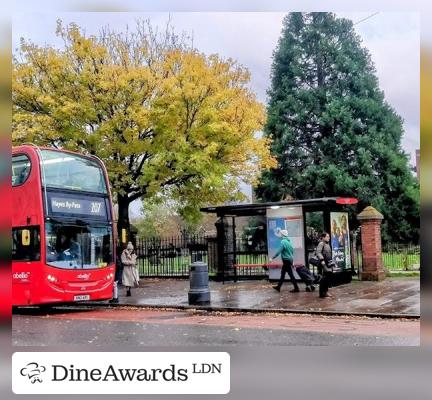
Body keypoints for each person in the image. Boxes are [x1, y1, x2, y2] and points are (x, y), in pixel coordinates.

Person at [316, 232, 333, 298]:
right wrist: (322, 260)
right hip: (323, 263)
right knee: (325, 278)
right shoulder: (321, 243)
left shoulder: (327, 244)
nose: (329, 238)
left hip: (328, 262)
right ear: (323, 237)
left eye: (329, 236)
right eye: (327, 236)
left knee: (328, 277)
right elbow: (318, 252)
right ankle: (322, 293)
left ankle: (325, 291)